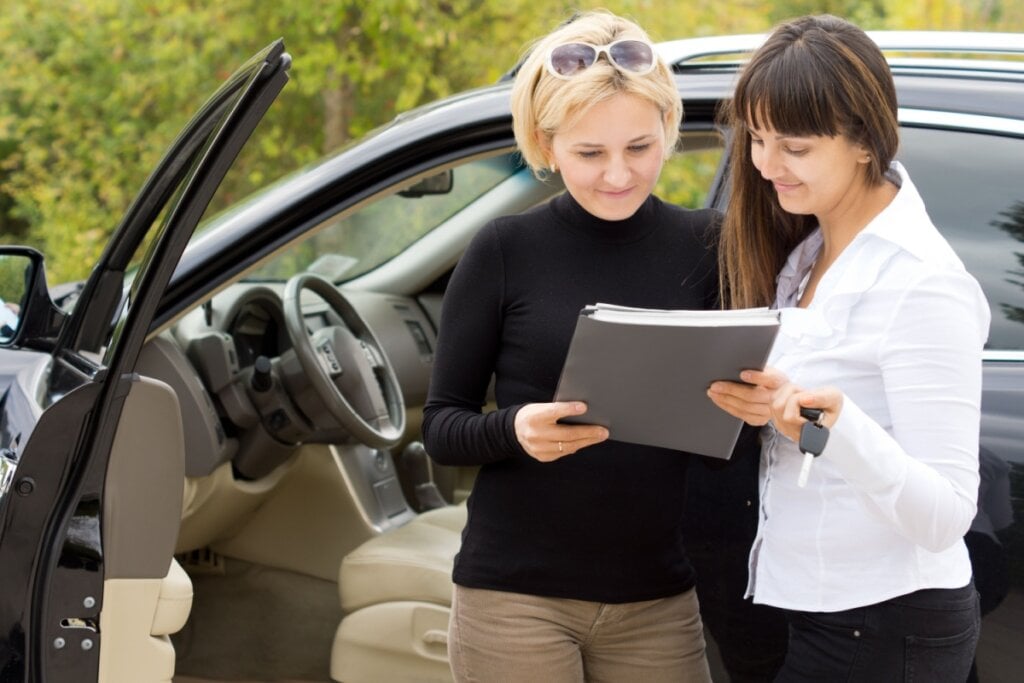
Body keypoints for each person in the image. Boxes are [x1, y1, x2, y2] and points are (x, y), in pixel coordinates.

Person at [422, 10, 717, 682]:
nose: (618, 174)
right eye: (589, 153)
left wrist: (751, 409)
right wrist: (514, 430)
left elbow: (730, 444)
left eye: (639, 147)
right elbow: (442, 426)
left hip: (659, 598)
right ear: (546, 143)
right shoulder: (503, 249)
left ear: (669, 131)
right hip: (513, 597)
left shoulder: (708, 247)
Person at [707, 15, 990, 681]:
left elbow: (946, 513)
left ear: (864, 141)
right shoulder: (806, 253)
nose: (767, 165)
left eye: (795, 147)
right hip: (815, 604)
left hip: (888, 619)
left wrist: (827, 428)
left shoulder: (923, 281)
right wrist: (770, 410)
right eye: (757, 138)